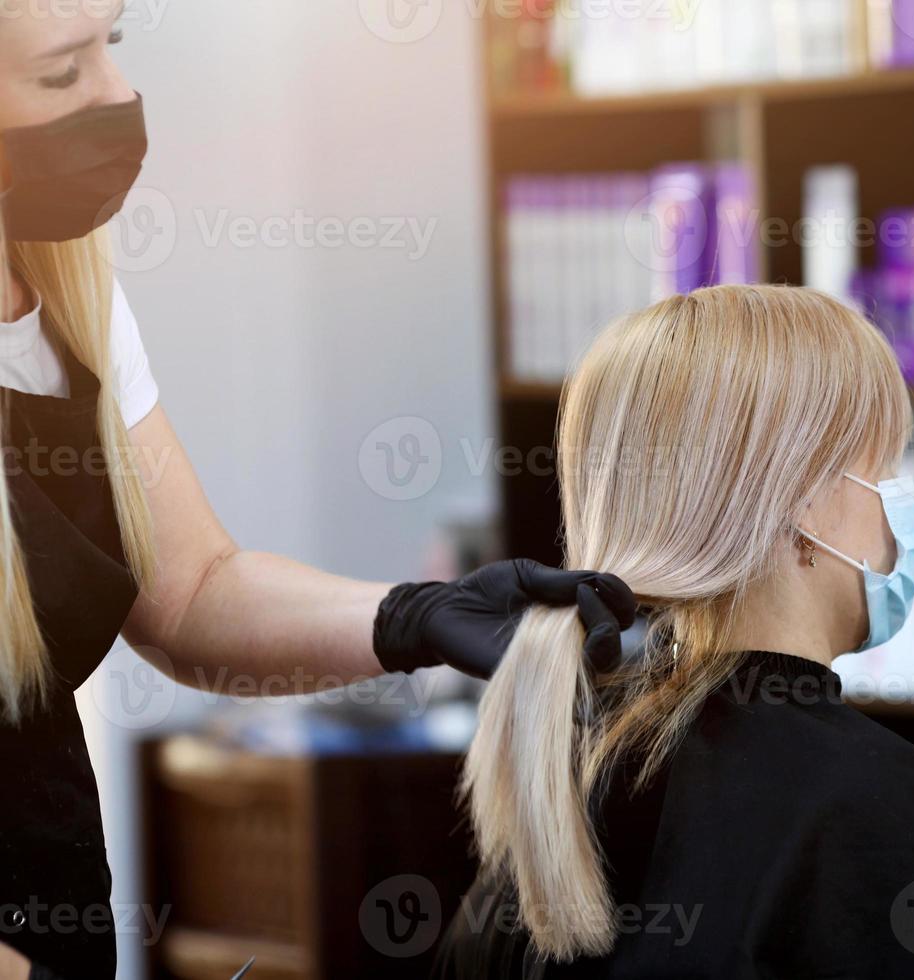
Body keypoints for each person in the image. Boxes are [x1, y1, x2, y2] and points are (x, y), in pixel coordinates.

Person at [0, 6, 606, 978]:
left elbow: (192, 592)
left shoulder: (71, 298)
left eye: (111, 47)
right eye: (64, 74)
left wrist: (417, 615)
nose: (118, 97)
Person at [435, 285, 914, 978]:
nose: (901, 507)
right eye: (887, 470)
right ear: (806, 506)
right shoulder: (856, 809)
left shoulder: (565, 795)